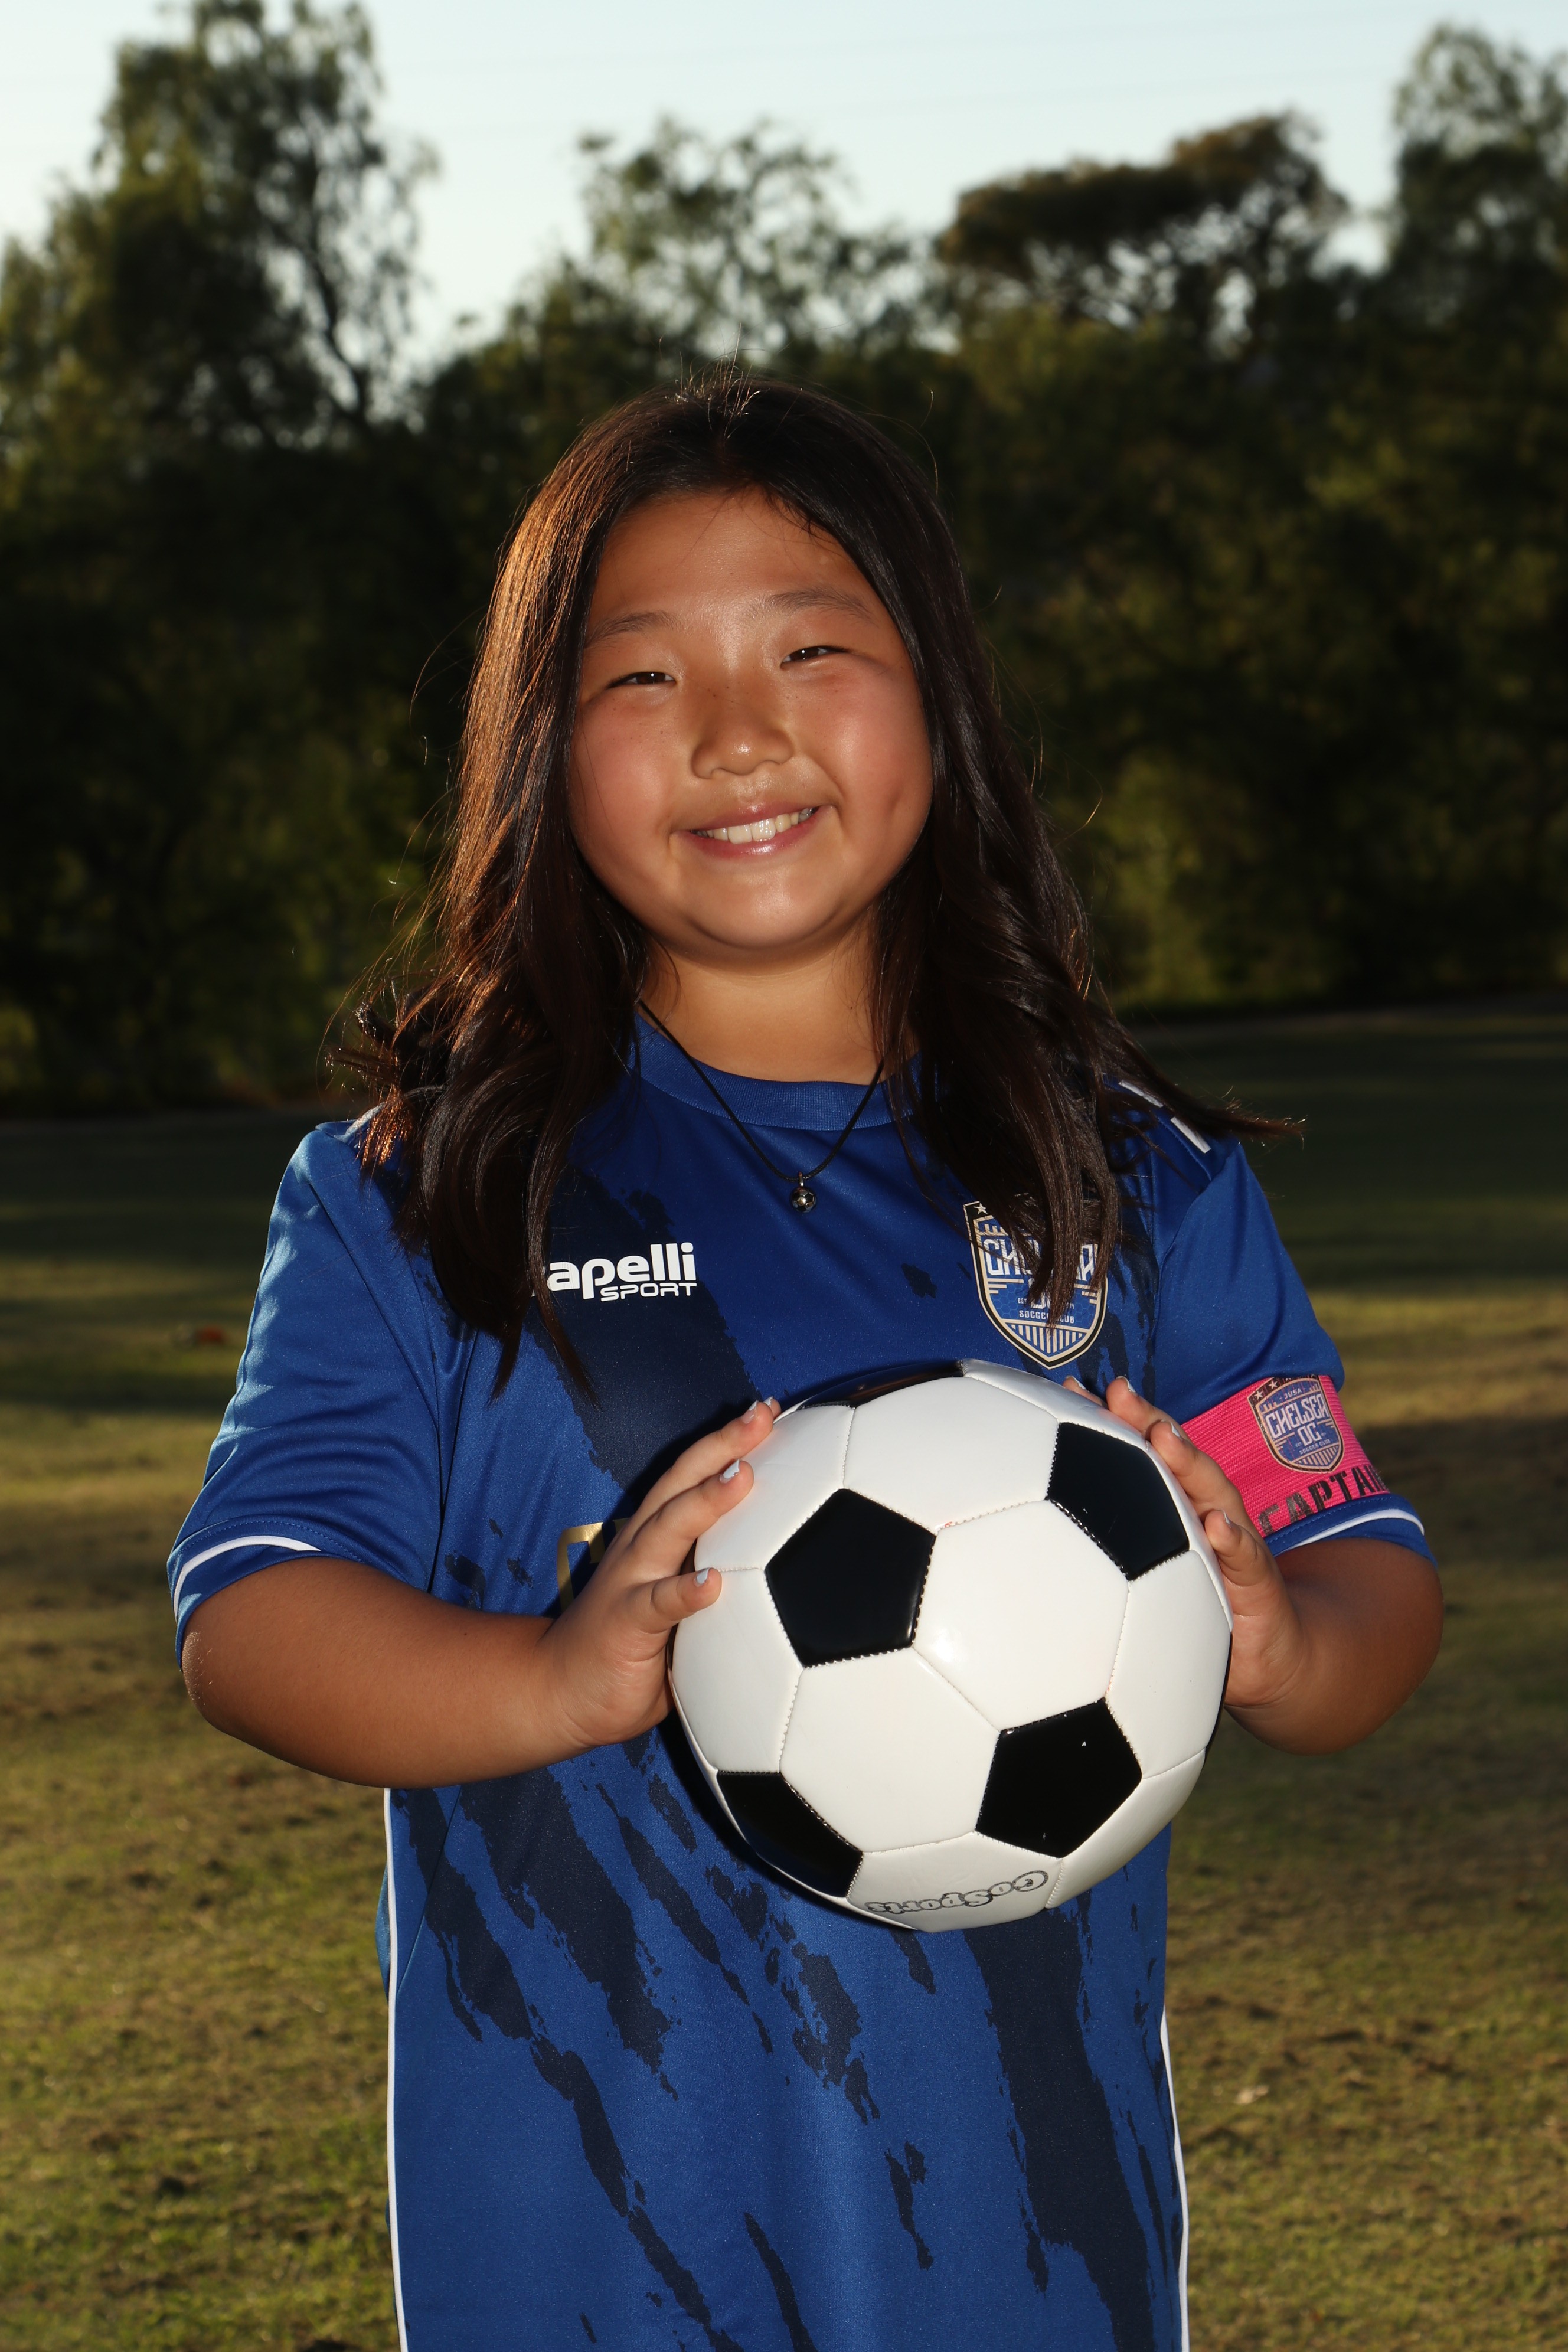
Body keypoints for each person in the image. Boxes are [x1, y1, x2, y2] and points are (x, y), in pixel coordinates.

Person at [169, 374, 1442, 2352]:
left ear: (938, 691)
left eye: (811, 649)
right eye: (644, 675)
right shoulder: (423, 1194)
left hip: (1035, 2269)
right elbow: (252, 1615)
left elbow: (1368, 1568)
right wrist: (547, 1680)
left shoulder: (1133, 1184)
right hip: (584, 2270)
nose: (737, 730)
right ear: (541, 748)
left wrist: (1288, 1640)